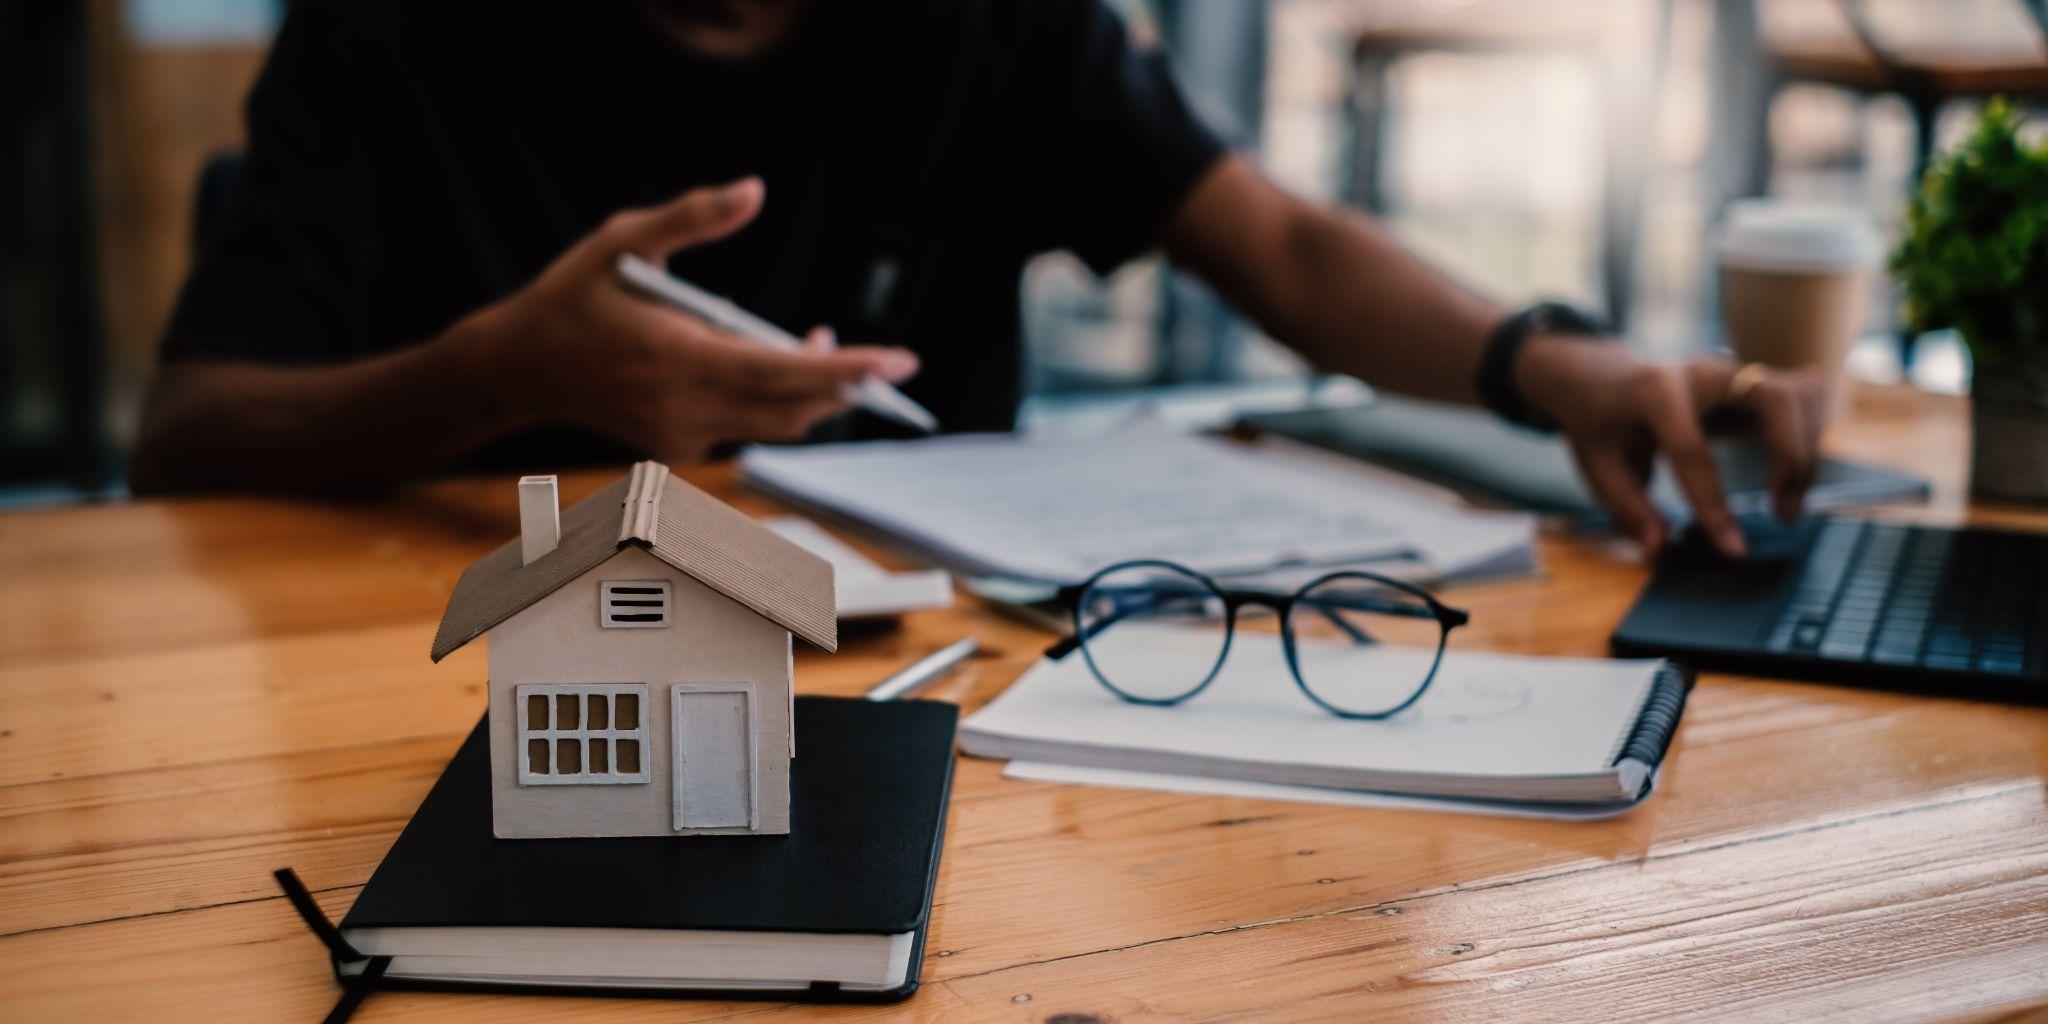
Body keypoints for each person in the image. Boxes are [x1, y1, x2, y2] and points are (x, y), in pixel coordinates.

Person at [131, 0, 1822, 559]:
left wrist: (1555, 360)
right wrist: (503, 376)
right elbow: (186, 431)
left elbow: (1285, 245)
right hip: (465, 667)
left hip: (966, 682)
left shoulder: (987, 23)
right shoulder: (392, 31)